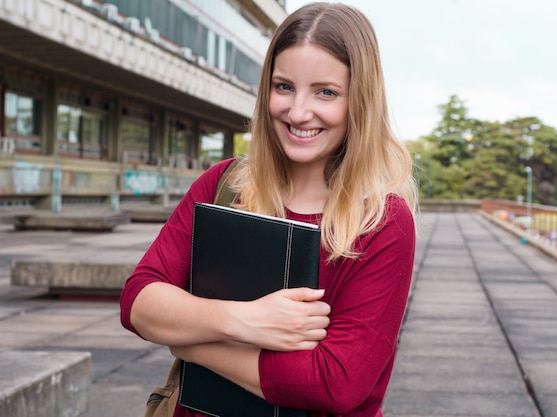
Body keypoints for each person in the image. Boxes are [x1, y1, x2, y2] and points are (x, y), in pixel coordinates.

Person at [120, 2, 418, 416]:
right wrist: (246, 320)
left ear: (360, 101)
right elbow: (139, 302)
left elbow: (336, 382)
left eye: (325, 92)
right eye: (283, 87)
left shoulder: (383, 221)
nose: (297, 112)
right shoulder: (224, 183)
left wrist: (191, 340)